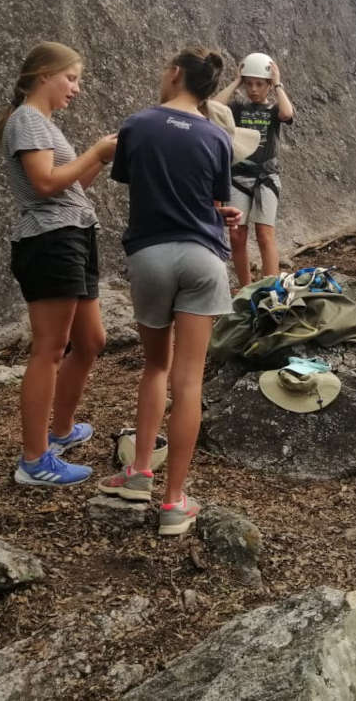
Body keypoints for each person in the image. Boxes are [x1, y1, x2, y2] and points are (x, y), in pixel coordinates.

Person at [100, 47, 248, 536]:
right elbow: (209, 200)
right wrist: (216, 215)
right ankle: (174, 501)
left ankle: (139, 472)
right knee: (189, 383)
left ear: (176, 74)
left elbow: (136, 182)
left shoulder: (137, 125)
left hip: (150, 256)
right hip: (202, 258)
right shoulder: (217, 137)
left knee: (155, 366)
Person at [0, 42, 117, 487]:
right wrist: (96, 151)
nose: (77, 89)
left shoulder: (42, 123)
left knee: (91, 340)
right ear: (44, 74)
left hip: (74, 235)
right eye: (71, 78)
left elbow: (73, 185)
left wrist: (98, 159)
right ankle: (33, 460)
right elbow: (44, 184)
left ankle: (60, 432)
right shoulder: (26, 120)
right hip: (50, 240)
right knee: (50, 349)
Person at [213, 52, 295, 286]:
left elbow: (287, 113)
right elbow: (215, 106)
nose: (254, 89)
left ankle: (271, 288)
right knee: (237, 236)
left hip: (266, 177)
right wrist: (236, 81)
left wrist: (277, 83)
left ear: (268, 85)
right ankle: (246, 288)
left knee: (264, 233)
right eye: (249, 84)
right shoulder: (238, 109)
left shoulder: (273, 110)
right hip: (239, 176)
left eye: (259, 84)